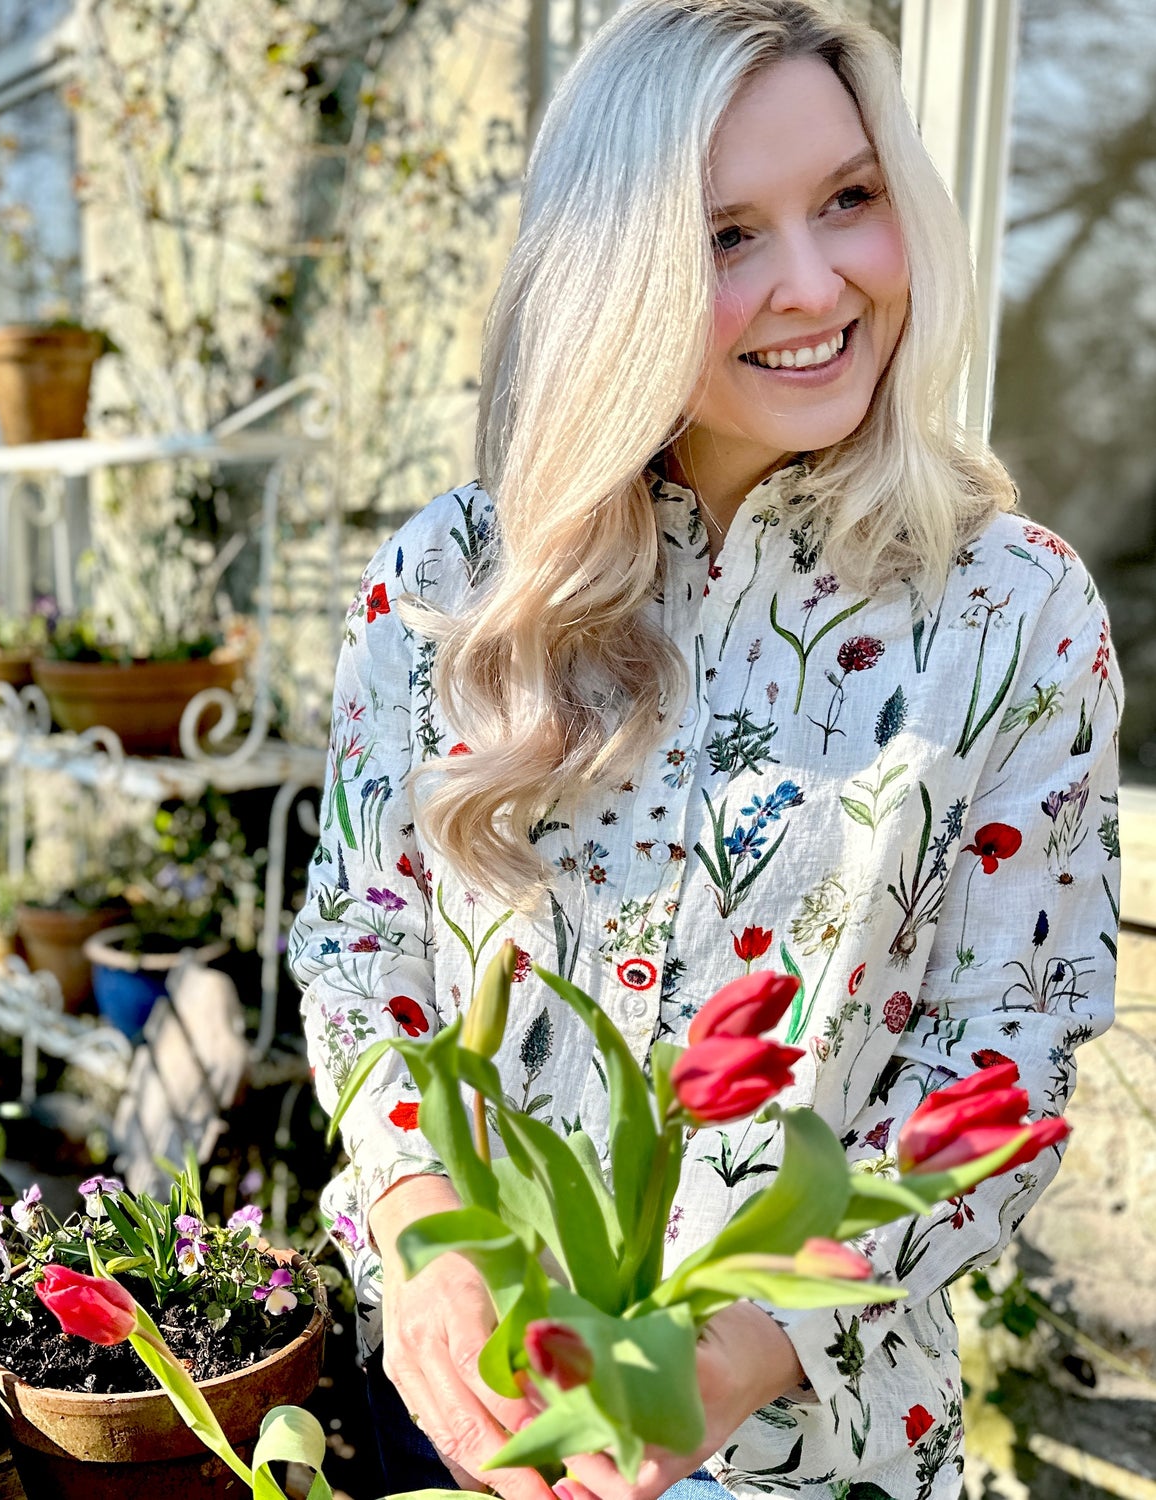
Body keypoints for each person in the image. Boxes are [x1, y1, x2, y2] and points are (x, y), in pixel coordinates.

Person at [289, 1, 1121, 1496]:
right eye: (726, 235)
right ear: (613, 280)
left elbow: (1004, 1059)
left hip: (824, 1454)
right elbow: (363, 948)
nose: (817, 283)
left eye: (848, 200)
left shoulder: (1015, 616)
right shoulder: (449, 590)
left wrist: (730, 1354)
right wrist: (421, 1236)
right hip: (489, 1421)